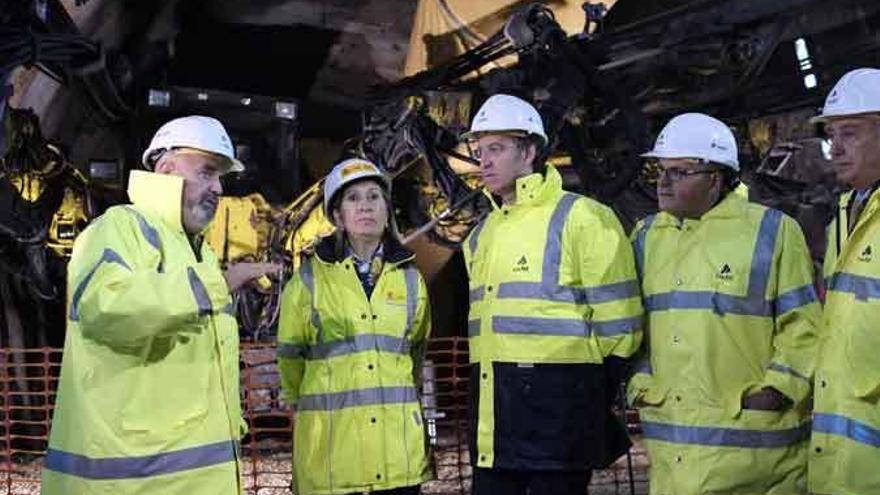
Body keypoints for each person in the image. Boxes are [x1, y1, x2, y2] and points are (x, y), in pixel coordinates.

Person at [41, 115, 278, 495]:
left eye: (220, 177)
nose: (218, 187)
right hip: (135, 484)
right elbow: (108, 308)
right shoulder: (119, 228)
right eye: (207, 172)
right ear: (166, 169)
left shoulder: (196, 252)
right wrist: (218, 284)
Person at [628, 113, 821, 494]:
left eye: (679, 172)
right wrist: (640, 384)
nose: (663, 183)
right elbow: (636, 327)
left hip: (756, 461)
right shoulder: (646, 237)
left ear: (714, 179)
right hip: (672, 455)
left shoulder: (772, 231)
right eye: (659, 171)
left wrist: (777, 391)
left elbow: (804, 327)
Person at [461, 94, 643, 495]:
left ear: (529, 151)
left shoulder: (582, 218)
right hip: (495, 423)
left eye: (497, 148)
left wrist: (594, 393)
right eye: (479, 151)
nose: (484, 162)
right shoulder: (481, 235)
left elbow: (621, 323)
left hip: (560, 421)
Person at [277, 158, 431, 495]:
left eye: (374, 197)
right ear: (337, 217)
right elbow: (290, 364)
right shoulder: (307, 282)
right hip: (333, 462)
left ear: (387, 210)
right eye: (353, 198)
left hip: (397, 463)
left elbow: (415, 355)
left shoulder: (411, 280)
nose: (366, 206)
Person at [808, 68, 880, 495]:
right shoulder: (847, 213)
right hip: (844, 459)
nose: (835, 149)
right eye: (831, 135)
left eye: (849, 134)